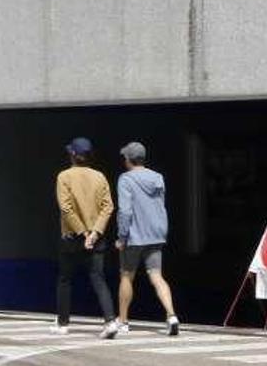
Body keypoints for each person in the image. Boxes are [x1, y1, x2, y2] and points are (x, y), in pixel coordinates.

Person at [53, 137, 120, 339]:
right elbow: (108, 207)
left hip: (72, 236)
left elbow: (65, 207)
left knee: (65, 279)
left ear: (73, 155)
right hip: (96, 236)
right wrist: (95, 232)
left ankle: (63, 323)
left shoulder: (64, 176)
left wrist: (83, 233)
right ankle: (110, 321)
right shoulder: (100, 177)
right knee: (98, 278)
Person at [115, 142, 179, 336]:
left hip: (134, 237)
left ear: (128, 159)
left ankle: (124, 321)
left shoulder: (125, 179)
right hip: (156, 235)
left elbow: (125, 211)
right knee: (157, 276)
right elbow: (160, 205)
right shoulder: (158, 178)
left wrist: (121, 236)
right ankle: (171, 316)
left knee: (127, 276)